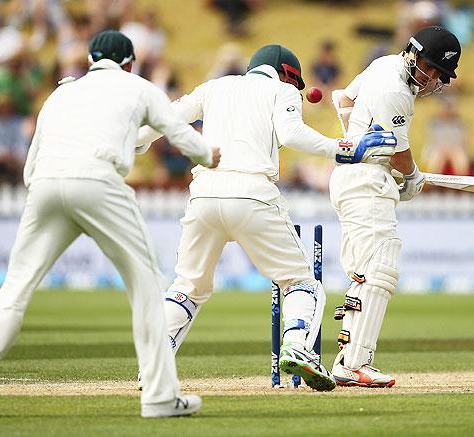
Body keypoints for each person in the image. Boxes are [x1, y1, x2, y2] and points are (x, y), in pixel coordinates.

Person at [0, 30, 220, 419]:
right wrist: (209, 155)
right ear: (129, 63)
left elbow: (29, 167)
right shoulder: (138, 87)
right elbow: (178, 135)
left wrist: (54, 192)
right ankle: (159, 397)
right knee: (147, 287)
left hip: (44, 186)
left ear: (90, 60)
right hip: (99, 180)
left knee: (14, 289)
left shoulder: (60, 94)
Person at [136, 44, 397, 392]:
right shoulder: (283, 89)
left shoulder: (214, 86)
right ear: (288, 73)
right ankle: (297, 347)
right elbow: (291, 134)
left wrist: (133, 141)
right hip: (252, 195)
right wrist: (344, 148)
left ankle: (153, 365)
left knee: (187, 287)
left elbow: (165, 119)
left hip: (203, 195)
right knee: (301, 282)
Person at [329, 26, 461, 387]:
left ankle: (348, 360)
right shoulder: (396, 90)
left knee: (364, 271)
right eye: (430, 67)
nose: (432, 77)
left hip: (355, 178)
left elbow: (342, 98)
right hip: (367, 180)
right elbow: (400, 154)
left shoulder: (381, 64)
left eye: (439, 73)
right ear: (413, 53)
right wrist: (414, 177)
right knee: (381, 266)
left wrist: (356, 136)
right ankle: (356, 362)